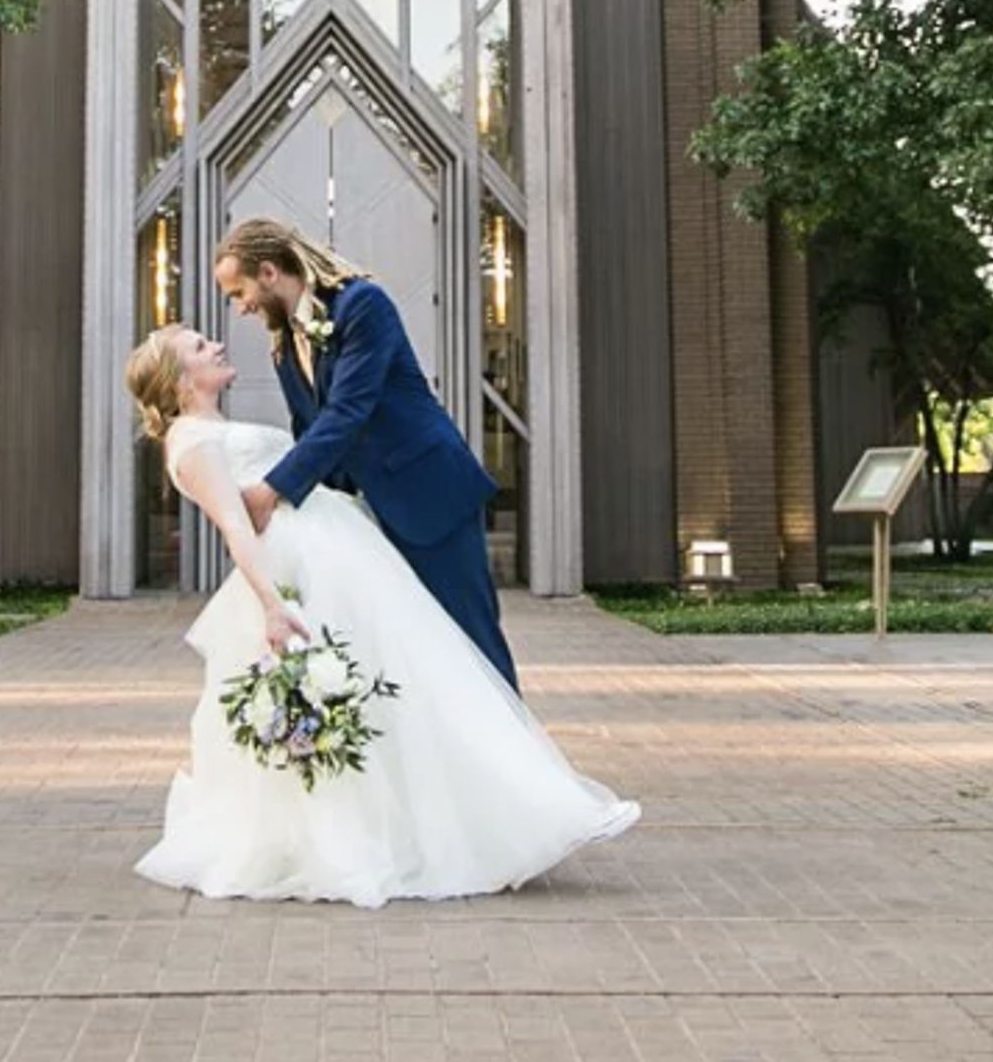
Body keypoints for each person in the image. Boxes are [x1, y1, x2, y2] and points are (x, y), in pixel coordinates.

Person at [124, 322, 636, 905]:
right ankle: (380, 837)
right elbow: (237, 530)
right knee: (387, 686)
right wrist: (273, 606)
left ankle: (483, 812)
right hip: (307, 576)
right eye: (198, 346)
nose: (214, 344)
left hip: (344, 555)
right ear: (181, 380)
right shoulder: (191, 445)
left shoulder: (212, 427)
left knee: (413, 681)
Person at [213, 217, 519, 690]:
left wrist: (271, 490)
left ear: (269, 273)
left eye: (239, 292)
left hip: (430, 495)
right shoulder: (284, 349)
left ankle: (514, 755)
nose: (241, 308)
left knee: (472, 639)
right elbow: (311, 433)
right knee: (408, 649)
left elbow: (347, 412)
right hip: (373, 515)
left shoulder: (362, 305)